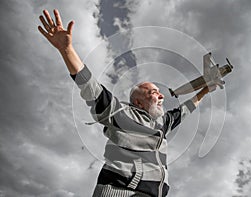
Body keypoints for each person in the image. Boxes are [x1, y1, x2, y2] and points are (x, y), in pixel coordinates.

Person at [38, 9, 215, 197]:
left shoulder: (163, 123)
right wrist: (67, 50)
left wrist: (206, 89)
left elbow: (185, 110)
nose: (161, 96)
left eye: (160, 93)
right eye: (154, 92)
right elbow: (91, 88)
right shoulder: (121, 113)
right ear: (138, 102)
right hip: (122, 192)